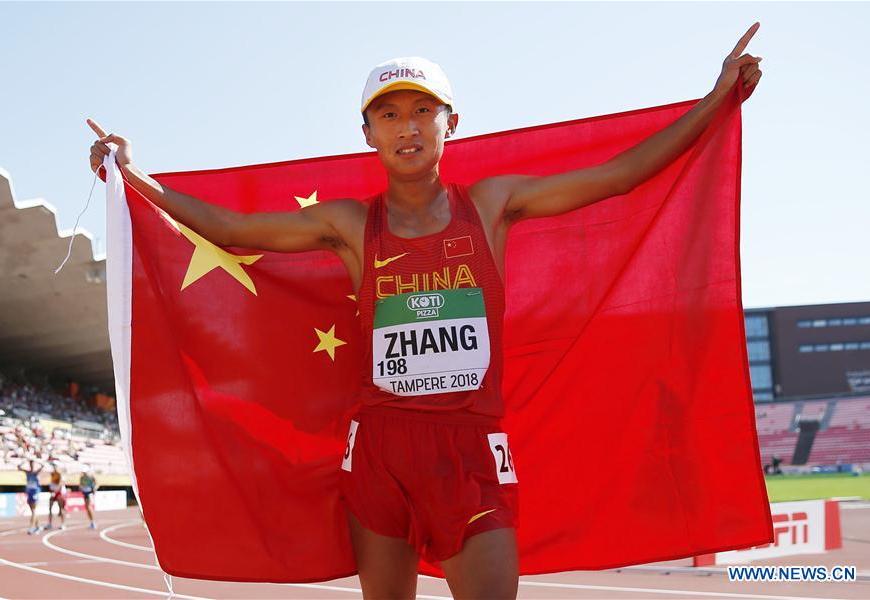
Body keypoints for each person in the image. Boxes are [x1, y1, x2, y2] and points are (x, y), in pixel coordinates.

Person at [88, 25, 762, 599]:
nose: (407, 127)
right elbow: (230, 230)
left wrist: (716, 99)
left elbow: (620, 175)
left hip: (470, 450)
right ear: (368, 133)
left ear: (451, 122)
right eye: (388, 115)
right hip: (381, 451)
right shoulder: (352, 225)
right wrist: (131, 175)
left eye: (422, 111)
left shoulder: (491, 206)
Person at [18, 457, 43, 535]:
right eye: (30, 464)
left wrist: (36, 460)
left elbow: (42, 466)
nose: (31, 465)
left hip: (35, 492)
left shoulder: (35, 472)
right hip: (29, 492)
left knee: (34, 511)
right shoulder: (27, 472)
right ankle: (38, 526)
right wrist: (25, 460)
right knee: (33, 511)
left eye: (32, 464)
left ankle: (31, 527)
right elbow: (19, 467)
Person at [45, 463, 67, 530]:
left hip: (59, 493)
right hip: (53, 493)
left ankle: (63, 524)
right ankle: (49, 523)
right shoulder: (52, 474)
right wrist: (52, 491)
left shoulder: (60, 474)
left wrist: (56, 492)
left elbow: (61, 484)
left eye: (54, 467)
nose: (53, 469)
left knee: (61, 509)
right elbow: (52, 484)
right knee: (50, 508)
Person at [79, 465, 98, 529]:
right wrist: (81, 488)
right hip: (85, 493)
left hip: (90, 493)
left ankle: (93, 522)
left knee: (89, 507)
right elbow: (80, 485)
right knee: (87, 508)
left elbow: (97, 484)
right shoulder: (82, 477)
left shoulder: (91, 476)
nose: (84, 473)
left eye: (85, 472)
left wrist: (94, 490)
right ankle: (91, 522)